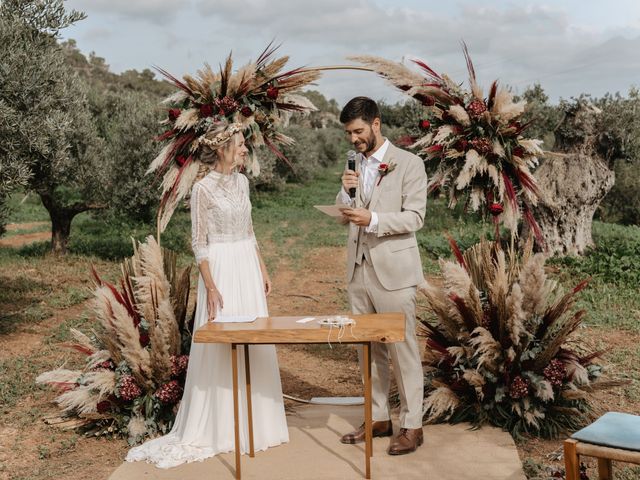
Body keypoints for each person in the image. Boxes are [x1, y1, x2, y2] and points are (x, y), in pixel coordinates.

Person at [126, 124, 289, 468]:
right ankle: (222, 427)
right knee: (224, 343)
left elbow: (249, 230)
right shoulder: (201, 189)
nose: (246, 149)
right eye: (241, 144)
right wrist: (211, 287)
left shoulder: (243, 182)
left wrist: (262, 269)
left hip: (246, 265)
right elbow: (199, 243)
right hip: (222, 272)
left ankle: (258, 423)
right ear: (223, 149)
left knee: (254, 339)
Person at [336, 97, 427, 455]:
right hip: (358, 270)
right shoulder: (354, 163)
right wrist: (345, 190)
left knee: (402, 350)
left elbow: (415, 217)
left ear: (376, 124)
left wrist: (373, 220)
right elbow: (346, 210)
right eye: (348, 133)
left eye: (357, 131)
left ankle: (411, 424)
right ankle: (377, 418)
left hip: (394, 271)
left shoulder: (409, 164)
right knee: (368, 349)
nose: (353, 139)